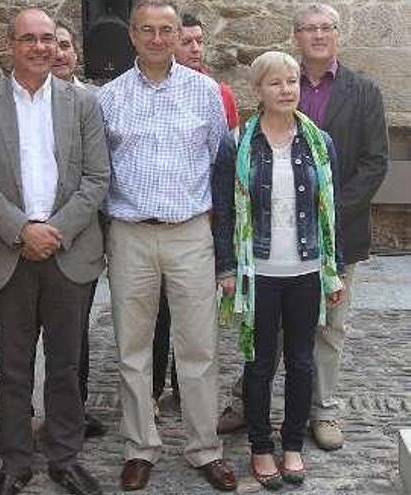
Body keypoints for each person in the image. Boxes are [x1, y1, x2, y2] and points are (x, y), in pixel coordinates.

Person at [216, 4, 390, 448]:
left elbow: (374, 165)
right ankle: (245, 403)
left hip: (336, 236)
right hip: (271, 243)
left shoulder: (364, 91)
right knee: (265, 328)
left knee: (330, 328)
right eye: (309, 28)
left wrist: (323, 215)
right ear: (295, 36)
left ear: (337, 34)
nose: (318, 35)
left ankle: (323, 410)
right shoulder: (275, 89)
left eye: (326, 27)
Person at [0, 8, 109, 495]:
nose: (41, 47)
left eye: (48, 38)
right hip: (11, 253)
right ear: (9, 45)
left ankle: (64, 457)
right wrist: (22, 230)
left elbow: (97, 178)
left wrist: (55, 231)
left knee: (67, 364)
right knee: (13, 365)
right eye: (29, 39)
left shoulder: (82, 102)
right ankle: (15, 460)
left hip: (70, 251)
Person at [97, 0, 236, 491]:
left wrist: (225, 249)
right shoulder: (108, 98)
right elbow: (100, 173)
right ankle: (140, 447)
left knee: (198, 347)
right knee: (132, 349)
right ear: (131, 35)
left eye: (167, 30)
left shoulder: (206, 94)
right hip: (131, 233)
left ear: (180, 35)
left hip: (190, 234)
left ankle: (204, 448)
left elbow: (223, 172)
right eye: (147, 30)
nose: (157, 39)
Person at [214, 50, 344, 489]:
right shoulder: (237, 144)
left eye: (291, 81)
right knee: (259, 364)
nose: (286, 89)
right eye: (276, 83)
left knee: (303, 363)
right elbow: (227, 214)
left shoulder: (320, 142)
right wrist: (227, 268)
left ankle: (292, 446)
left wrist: (333, 270)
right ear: (259, 91)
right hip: (259, 274)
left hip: (307, 271)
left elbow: (330, 212)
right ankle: (261, 447)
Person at [151, 10, 243, 417]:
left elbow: (226, 162)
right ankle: (153, 388)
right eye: (186, 40)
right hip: (156, 221)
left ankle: (184, 388)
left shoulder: (218, 93)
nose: (194, 48)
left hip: (200, 220)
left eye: (199, 41)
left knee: (193, 316)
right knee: (157, 315)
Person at [50, 19, 107, 441]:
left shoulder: (95, 102)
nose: (58, 53)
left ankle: (74, 410)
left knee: (75, 334)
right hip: (27, 237)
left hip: (80, 234)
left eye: (66, 45)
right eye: (52, 45)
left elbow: (99, 173)